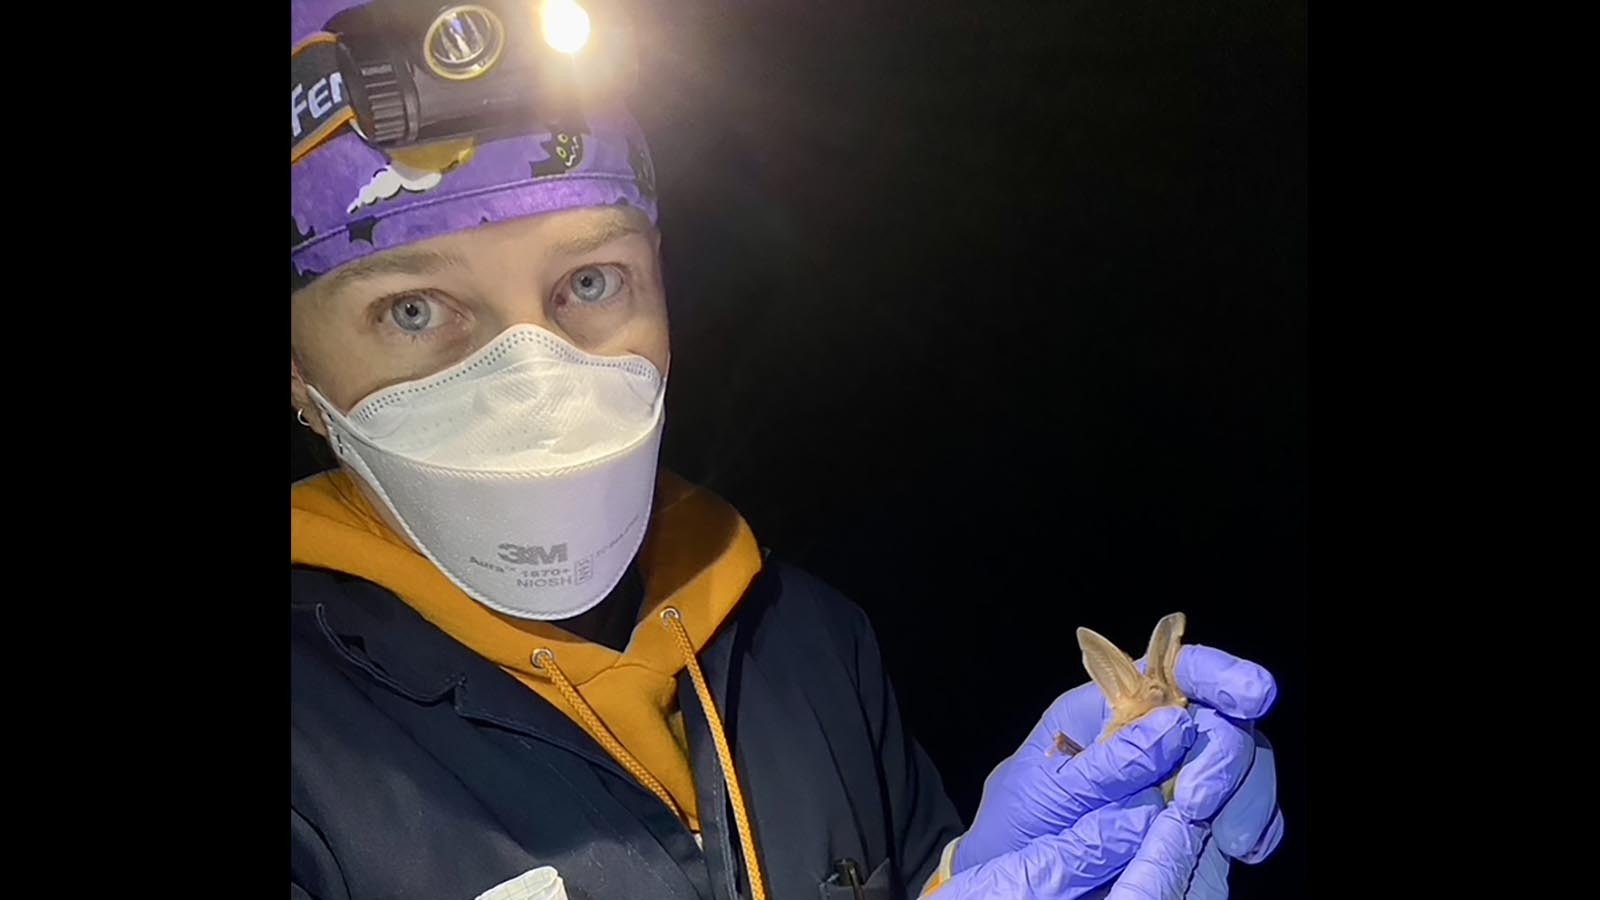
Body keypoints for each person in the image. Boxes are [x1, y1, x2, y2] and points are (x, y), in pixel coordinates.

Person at [289, 2, 1285, 898]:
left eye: (590, 283)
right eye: (413, 309)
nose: (533, 381)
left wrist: (956, 879)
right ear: (299, 371)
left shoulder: (805, 641)